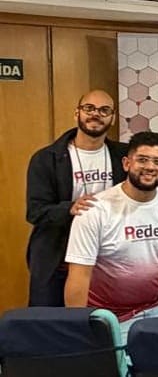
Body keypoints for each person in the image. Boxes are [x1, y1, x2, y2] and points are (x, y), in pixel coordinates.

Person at [64, 132, 158, 336]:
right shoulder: (94, 209)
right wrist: (80, 328)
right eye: (142, 160)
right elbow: (79, 274)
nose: (150, 167)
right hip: (109, 318)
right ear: (126, 163)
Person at [26, 90, 128, 307]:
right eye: (89, 108)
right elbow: (35, 212)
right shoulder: (46, 158)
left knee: (101, 322)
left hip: (108, 258)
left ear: (113, 118)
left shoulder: (124, 156)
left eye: (104, 110)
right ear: (77, 113)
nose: (96, 114)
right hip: (57, 257)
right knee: (51, 322)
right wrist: (70, 208)